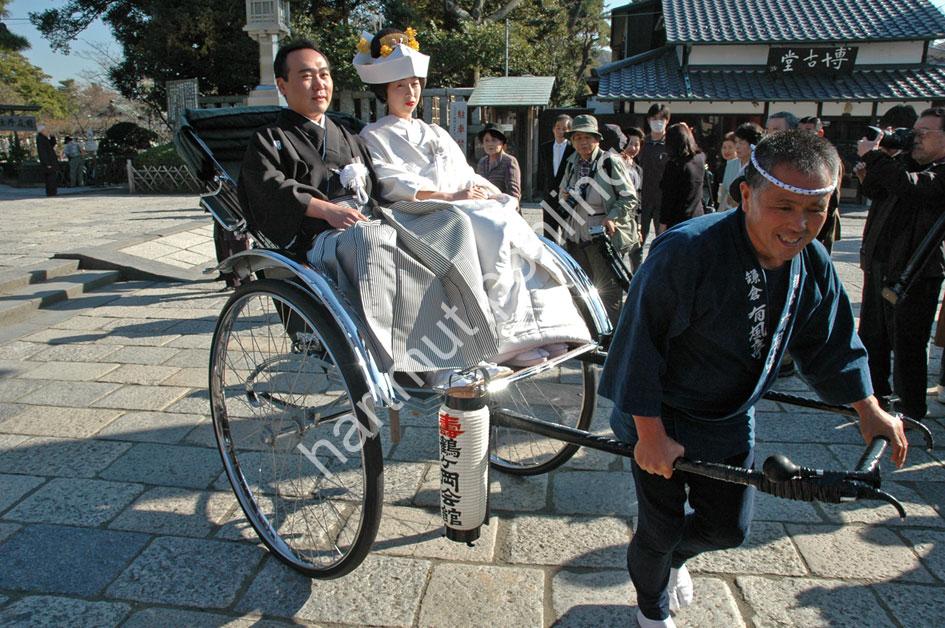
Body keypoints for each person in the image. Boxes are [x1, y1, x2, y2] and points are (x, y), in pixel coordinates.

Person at [599, 130, 908, 628]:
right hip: (663, 413)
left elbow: (831, 343)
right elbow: (638, 345)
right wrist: (651, 436)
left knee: (728, 529)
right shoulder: (686, 251)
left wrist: (867, 407)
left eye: (816, 210)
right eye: (783, 207)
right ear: (746, 194)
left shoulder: (813, 263)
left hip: (729, 415)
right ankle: (651, 610)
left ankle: (674, 560)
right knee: (660, 528)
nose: (799, 226)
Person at [353, 28, 591, 369]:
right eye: (399, 86)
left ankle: (544, 328)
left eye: (415, 83)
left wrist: (489, 192)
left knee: (510, 224)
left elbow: (464, 172)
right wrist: (452, 195)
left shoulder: (435, 131)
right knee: (490, 224)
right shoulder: (373, 135)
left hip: (457, 202)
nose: (410, 92)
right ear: (384, 91)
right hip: (420, 212)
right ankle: (506, 340)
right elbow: (393, 183)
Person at [857, 106, 945, 420]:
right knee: (872, 339)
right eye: (914, 132)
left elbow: (912, 187)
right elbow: (874, 188)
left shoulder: (940, 173)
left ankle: (911, 411)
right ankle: (876, 405)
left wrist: (875, 158)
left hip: (916, 273)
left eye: (924, 133)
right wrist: (885, 153)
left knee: (907, 345)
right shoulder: (903, 164)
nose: (916, 138)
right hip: (881, 265)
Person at [559, 114, 640, 324]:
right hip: (576, 235)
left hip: (602, 237)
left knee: (607, 290)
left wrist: (612, 218)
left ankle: (610, 343)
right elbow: (562, 194)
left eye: (588, 137)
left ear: (597, 139)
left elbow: (629, 197)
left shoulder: (610, 162)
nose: (583, 142)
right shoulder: (571, 163)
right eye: (577, 137)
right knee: (582, 290)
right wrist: (566, 196)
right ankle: (589, 338)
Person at [798, 116, 842, 253]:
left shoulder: (828, 158)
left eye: (808, 130)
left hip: (822, 219)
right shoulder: (801, 155)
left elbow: (832, 196)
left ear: (820, 133)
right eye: (800, 131)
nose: (804, 135)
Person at [658, 123, 706, 232]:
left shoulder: (674, 165)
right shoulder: (700, 159)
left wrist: (662, 223)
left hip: (677, 221)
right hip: (697, 216)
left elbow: (668, 198)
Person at [638, 104, 671, 244]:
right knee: (637, 241)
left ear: (667, 120)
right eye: (654, 118)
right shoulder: (641, 144)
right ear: (648, 120)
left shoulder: (672, 144)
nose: (657, 122)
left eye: (661, 118)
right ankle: (636, 267)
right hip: (642, 199)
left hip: (663, 201)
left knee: (663, 241)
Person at [537, 114, 574, 238]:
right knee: (549, 233)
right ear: (553, 129)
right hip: (549, 196)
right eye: (558, 128)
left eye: (564, 129)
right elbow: (542, 171)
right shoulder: (545, 147)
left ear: (569, 131)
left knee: (568, 234)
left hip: (566, 196)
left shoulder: (573, 149)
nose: (560, 131)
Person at [476, 123, 521, 200]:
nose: (490, 144)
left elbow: (514, 194)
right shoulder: (482, 162)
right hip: (484, 208)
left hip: (503, 207)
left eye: (494, 140)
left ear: (501, 143)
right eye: (486, 140)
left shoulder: (509, 161)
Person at [716, 132, 740, 210]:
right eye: (724, 147)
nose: (727, 151)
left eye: (730, 147)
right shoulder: (721, 168)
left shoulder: (740, 166)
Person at [620, 126, 644, 194]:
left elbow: (638, 193)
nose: (633, 148)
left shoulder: (638, 169)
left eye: (636, 145)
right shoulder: (612, 164)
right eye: (630, 144)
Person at [35, 125, 58, 197]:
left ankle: (53, 191)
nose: (46, 131)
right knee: (50, 178)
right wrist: (47, 163)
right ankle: (51, 192)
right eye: (45, 130)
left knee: (52, 178)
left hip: (51, 161)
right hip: (48, 162)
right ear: (41, 131)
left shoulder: (44, 138)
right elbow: (42, 152)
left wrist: (52, 136)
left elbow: (52, 144)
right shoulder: (40, 139)